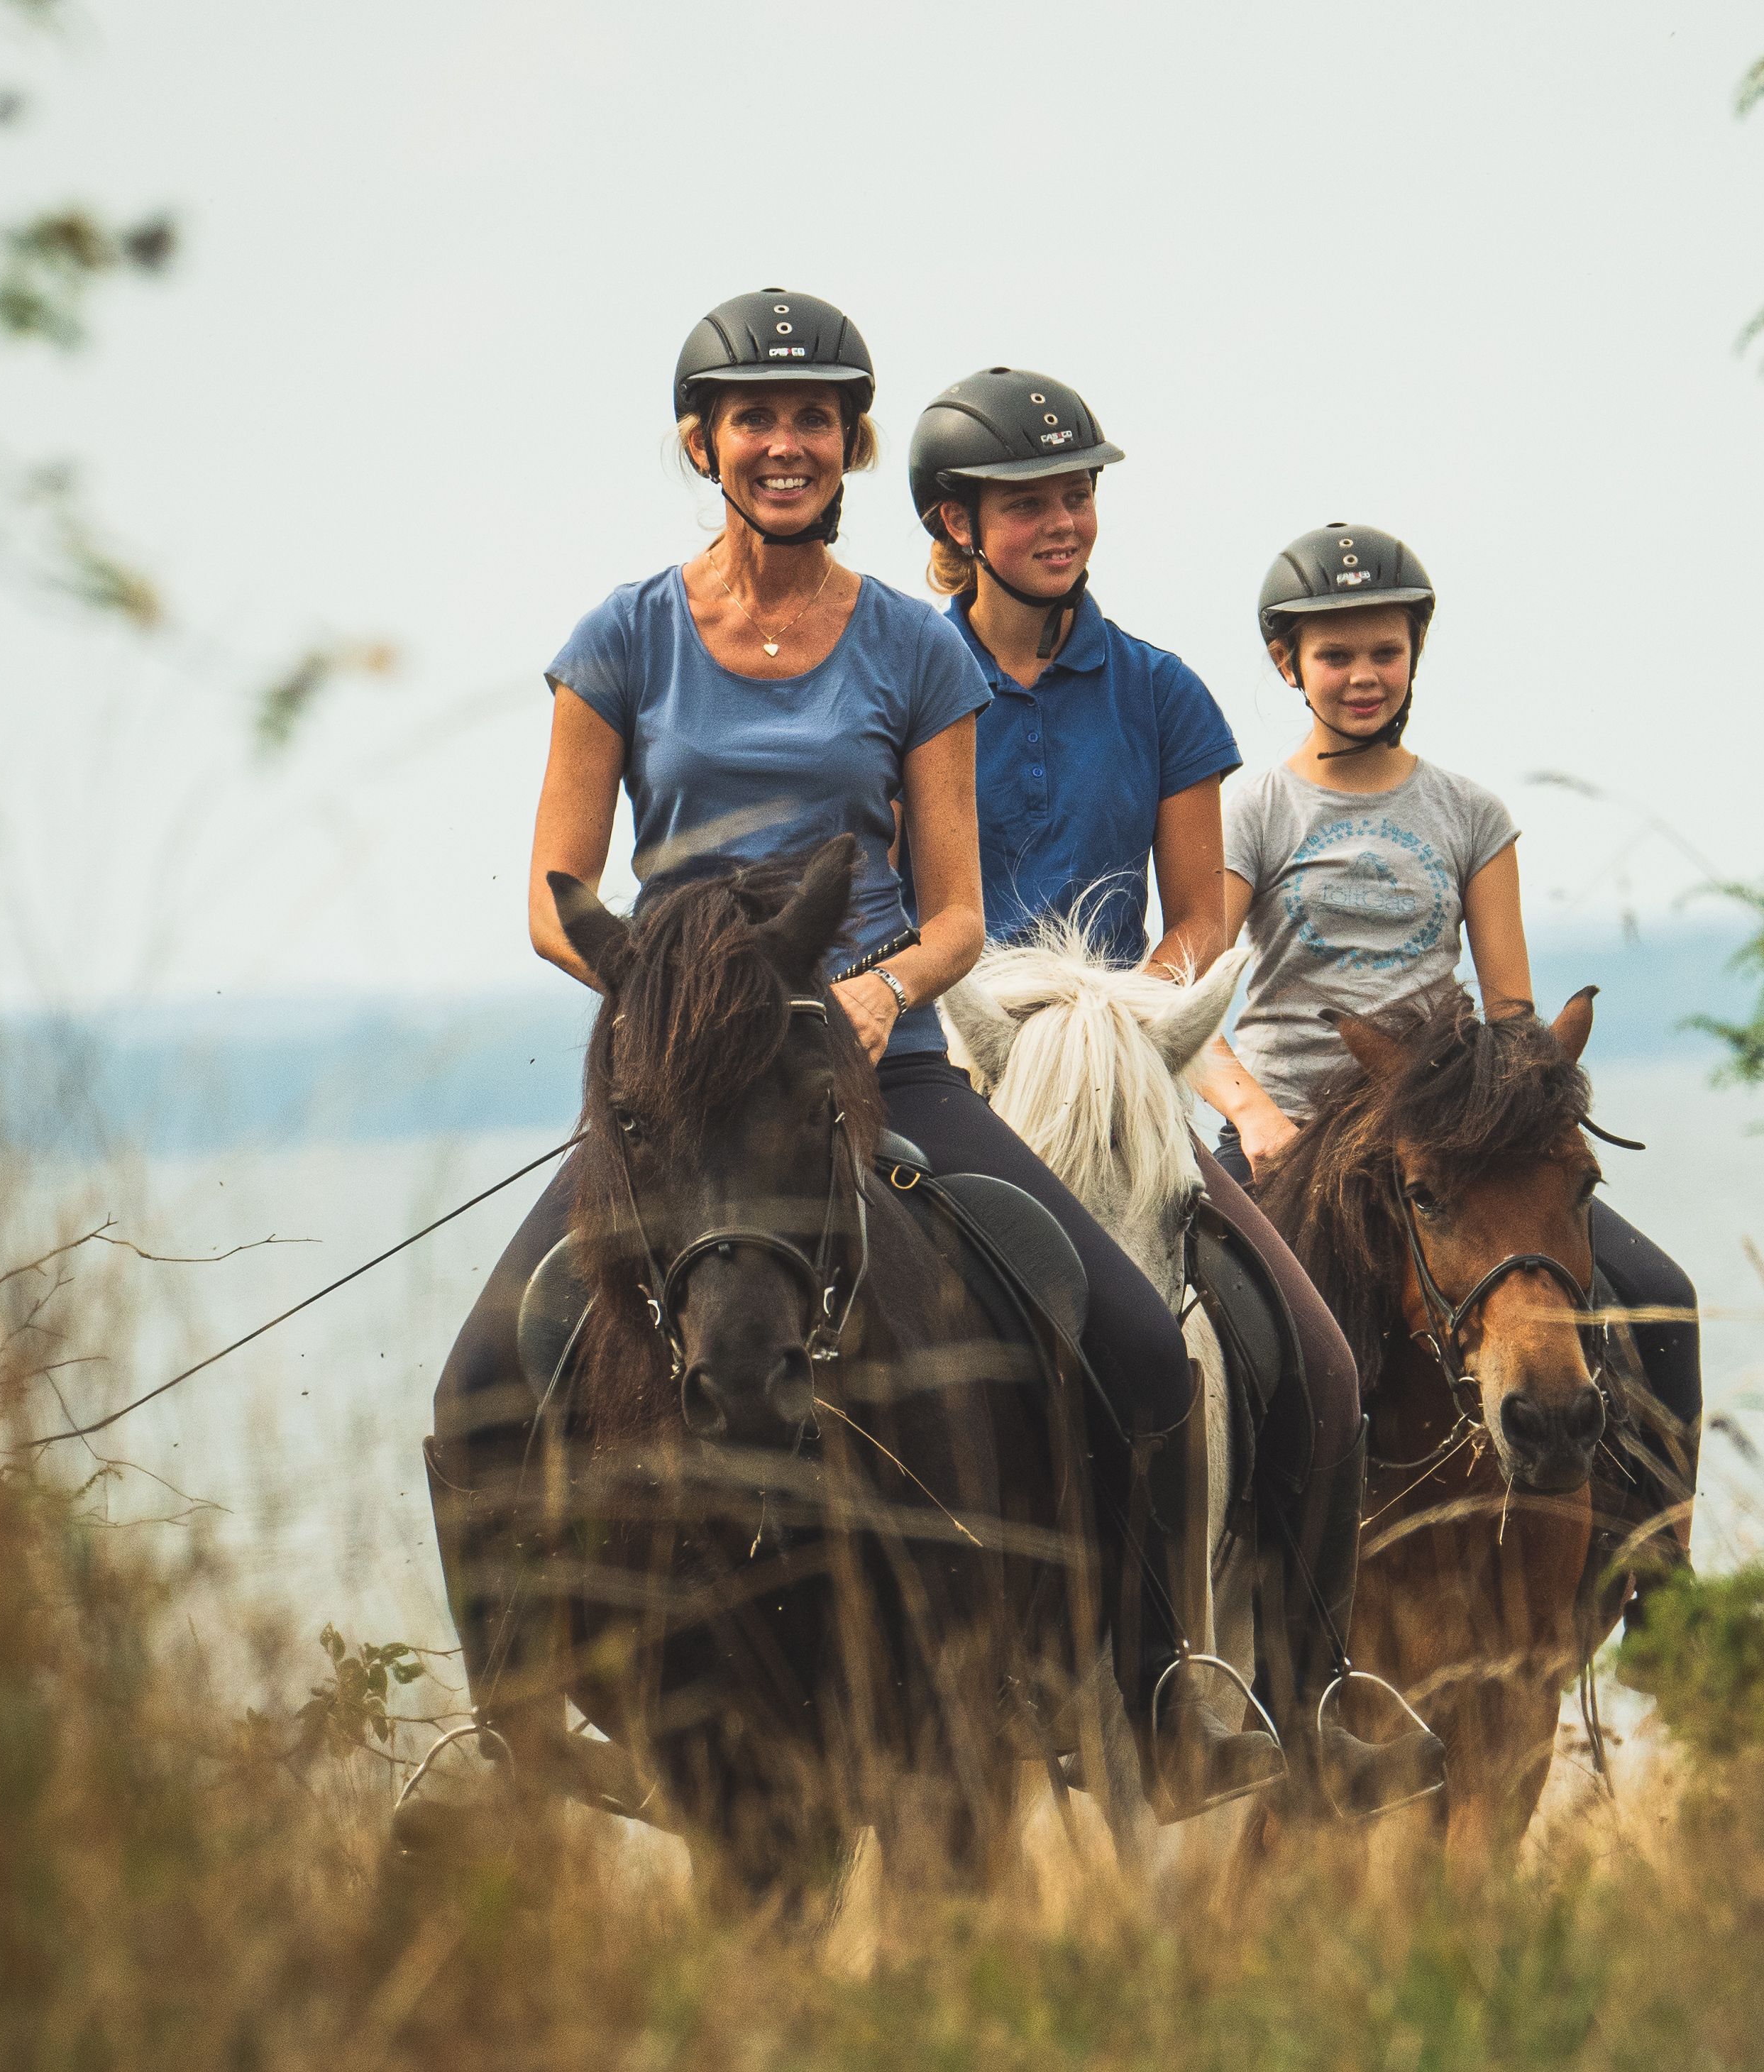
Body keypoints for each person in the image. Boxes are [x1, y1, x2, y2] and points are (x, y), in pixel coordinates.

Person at [431, 290, 1280, 1817]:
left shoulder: (907, 646)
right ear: (704, 440)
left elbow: (954, 912)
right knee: (487, 1374)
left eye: (815, 416)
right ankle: (509, 1741)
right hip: (681, 1087)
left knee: (1143, 1352)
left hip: (870, 1060)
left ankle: (1155, 1691)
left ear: (849, 443)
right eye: (756, 416)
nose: (786, 442)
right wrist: (671, 995)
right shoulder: (619, 638)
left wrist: (877, 996)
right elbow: (561, 903)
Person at [908, 372, 1443, 1814]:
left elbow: (1203, 912)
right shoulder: (900, 672)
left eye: (1079, 492)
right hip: (949, 1062)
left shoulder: (1158, 689)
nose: (1065, 519)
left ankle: (1309, 1686)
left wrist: (1117, 1015)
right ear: (958, 521)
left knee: (1316, 1356)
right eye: (1031, 500)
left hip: (1114, 1069)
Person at [1187, 522, 1702, 1621]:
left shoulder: (1469, 813)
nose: (1363, 676)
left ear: (1416, 652)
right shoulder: (1256, 811)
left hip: (1448, 1138)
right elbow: (1184, 1000)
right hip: (1295, 1138)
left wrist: (1522, 1098)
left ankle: (1658, 1577)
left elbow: (1509, 1005)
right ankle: (1215, 1596)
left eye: (1385, 650)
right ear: (1289, 665)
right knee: (1219, 1341)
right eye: (1336, 656)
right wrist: (1256, 1117)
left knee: (1659, 1296)